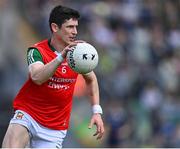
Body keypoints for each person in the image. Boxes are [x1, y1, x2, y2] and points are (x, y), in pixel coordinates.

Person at [2, 5, 104, 148]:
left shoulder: (78, 53)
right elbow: (37, 77)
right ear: (55, 27)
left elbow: (91, 79)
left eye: (76, 27)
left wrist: (96, 111)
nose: (74, 32)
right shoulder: (37, 51)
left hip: (55, 128)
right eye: (69, 27)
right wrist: (60, 58)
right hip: (28, 115)